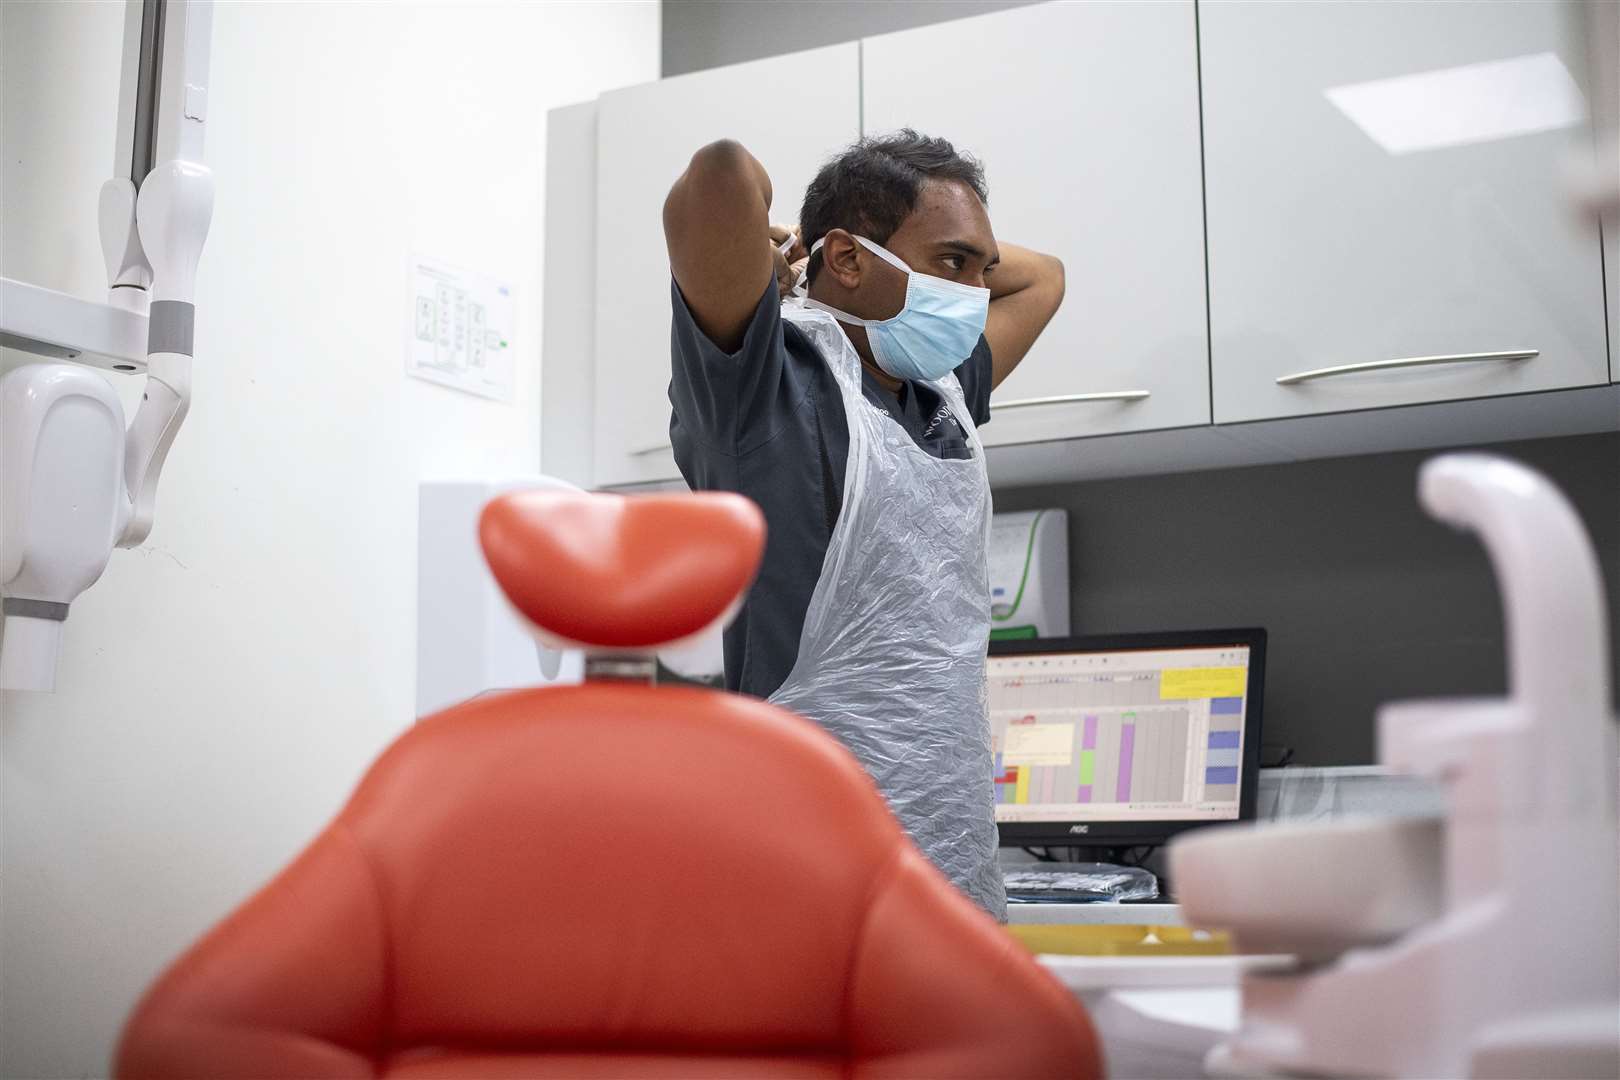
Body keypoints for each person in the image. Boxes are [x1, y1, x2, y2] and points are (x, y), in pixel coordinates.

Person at [662, 130, 1065, 918]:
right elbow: (722, 174)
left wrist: (946, 254)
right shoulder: (763, 391)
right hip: (805, 873)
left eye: (982, 271)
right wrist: (795, 250)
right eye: (954, 264)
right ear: (846, 260)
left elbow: (1044, 278)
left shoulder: (940, 391)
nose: (977, 294)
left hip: (955, 862)